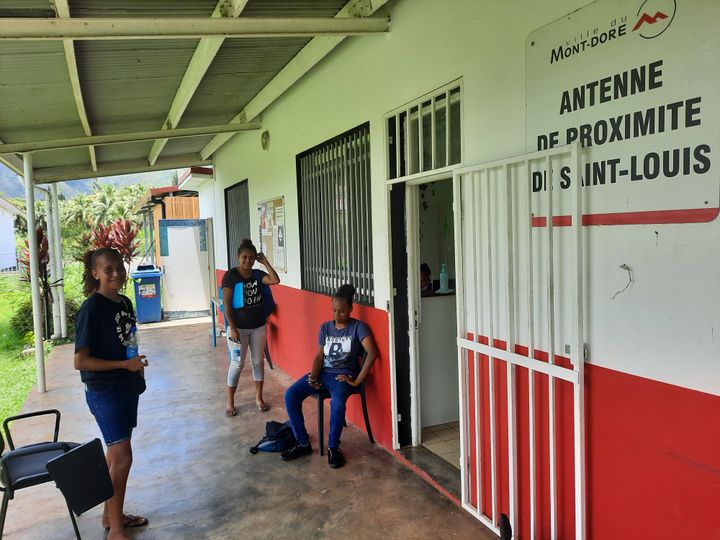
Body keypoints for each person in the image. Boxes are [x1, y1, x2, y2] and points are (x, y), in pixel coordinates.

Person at [73, 247, 149, 540]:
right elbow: (80, 361)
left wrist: (135, 363)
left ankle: (109, 516)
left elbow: (128, 339)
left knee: (115, 455)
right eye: (108, 269)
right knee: (122, 458)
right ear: (95, 273)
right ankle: (116, 531)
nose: (116, 273)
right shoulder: (91, 309)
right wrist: (123, 364)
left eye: (119, 267)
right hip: (105, 392)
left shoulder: (125, 302)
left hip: (127, 386)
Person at [281, 284, 378, 468]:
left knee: (338, 403)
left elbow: (372, 353)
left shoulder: (358, 327)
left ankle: (333, 448)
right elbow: (319, 356)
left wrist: (357, 380)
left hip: (343, 376)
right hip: (323, 373)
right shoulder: (325, 327)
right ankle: (302, 442)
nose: (337, 315)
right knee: (291, 394)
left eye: (341, 311)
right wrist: (314, 377)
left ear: (350, 308)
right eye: (334, 310)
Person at [222, 238, 280, 415]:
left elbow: (275, 280)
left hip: (258, 327)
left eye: (252, 258)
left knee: (257, 362)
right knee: (237, 364)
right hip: (238, 328)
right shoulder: (231, 276)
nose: (248, 261)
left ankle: (259, 397)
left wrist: (265, 262)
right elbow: (227, 304)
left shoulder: (256, 274)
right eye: (244, 257)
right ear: (238, 257)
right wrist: (232, 327)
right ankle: (230, 402)